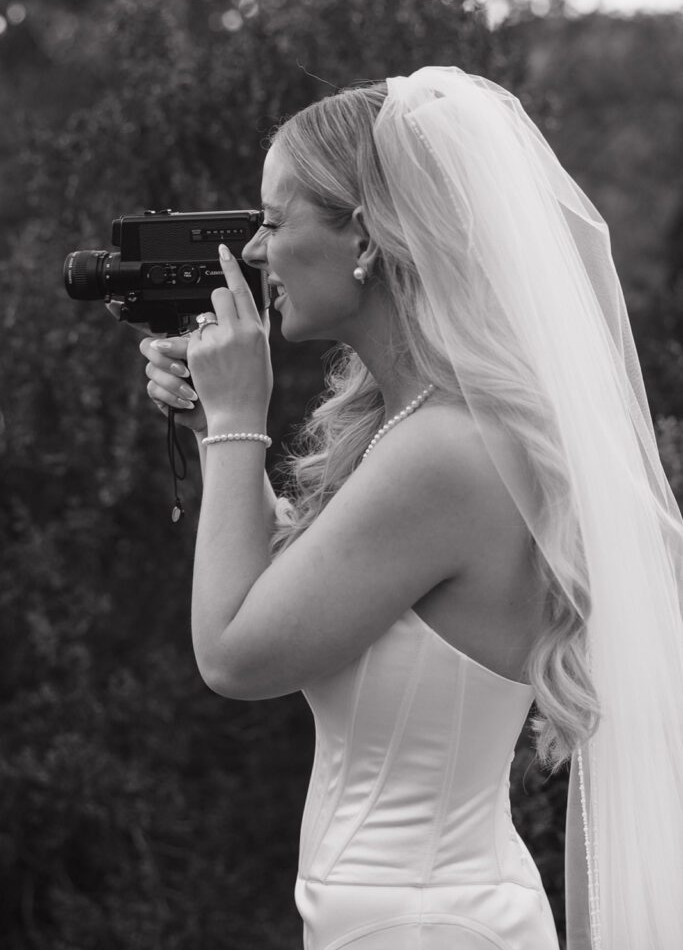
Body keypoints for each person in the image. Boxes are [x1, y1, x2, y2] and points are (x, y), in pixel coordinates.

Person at [138, 67, 683, 950]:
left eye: (273, 223)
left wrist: (240, 421)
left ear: (362, 235)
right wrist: (216, 429)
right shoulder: (426, 427)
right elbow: (294, 596)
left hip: (428, 924)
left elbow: (236, 655)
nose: (253, 253)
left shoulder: (444, 452)